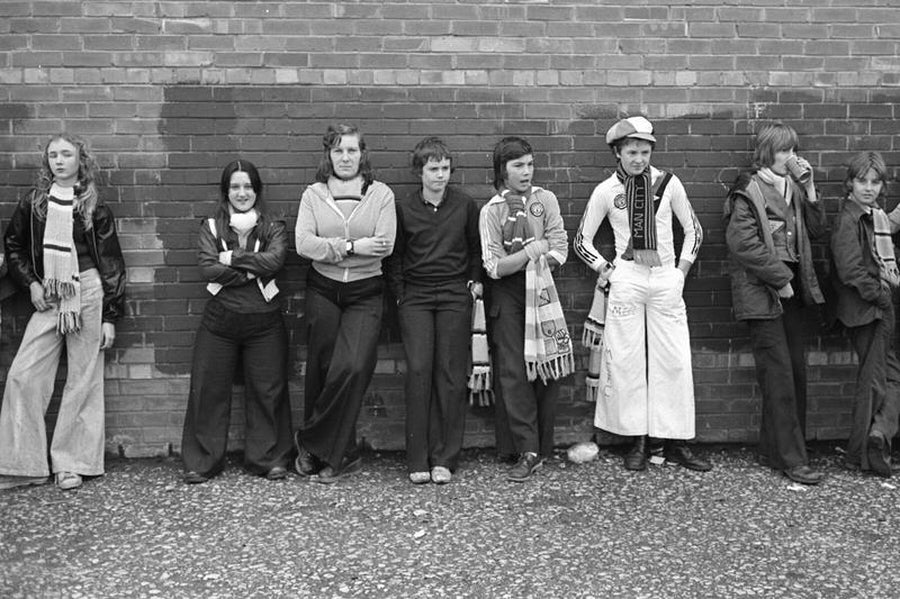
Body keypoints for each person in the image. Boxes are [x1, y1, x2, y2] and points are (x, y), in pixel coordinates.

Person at [574, 116, 710, 473]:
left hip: (665, 277)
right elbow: (581, 241)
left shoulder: (668, 183)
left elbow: (693, 230)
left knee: (674, 360)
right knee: (626, 361)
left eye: (645, 151)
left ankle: (673, 440)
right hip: (628, 279)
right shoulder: (607, 190)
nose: (639, 159)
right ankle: (635, 440)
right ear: (618, 153)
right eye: (632, 151)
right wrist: (608, 271)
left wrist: (680, 271)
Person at [0, 134, 125, 491]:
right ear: (47, 162)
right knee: (24, 375)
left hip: (87, 291)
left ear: (80, 161)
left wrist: (110, 316)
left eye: (66, 154)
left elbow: (113, 263)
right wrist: (32, 285)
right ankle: (22, 465)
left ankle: (72, 464)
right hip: (50, 294)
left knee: (82, 381)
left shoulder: (94, 205)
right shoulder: (35, 203)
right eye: (53, 155)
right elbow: (14, 246)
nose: (59, 160)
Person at [724, 121, 826, 485]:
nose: (791, 157)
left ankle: (774, 447)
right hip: (763, 292)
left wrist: (811, 189)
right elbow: (742, 243)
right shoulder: (748, 189)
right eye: (784, 150)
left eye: (794, 150)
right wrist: (780, 280)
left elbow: (816, 231)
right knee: (778, 374)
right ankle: (793, 460)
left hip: (795, 291)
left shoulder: (795, 188)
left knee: (794, 371)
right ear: (768, 153)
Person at [180, 160, 293, 484]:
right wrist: (251, 270)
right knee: (207, 389)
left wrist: (232, 259)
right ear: (226, 191)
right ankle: (202, 462)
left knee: (268, 390)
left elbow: (275, 261)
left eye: (248, 186)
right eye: (235, 187)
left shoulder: (273, 225)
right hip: (220, 321)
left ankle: (268, 459)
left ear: (257, 190)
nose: (242, 193)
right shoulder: (212, 227)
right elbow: (208, 268)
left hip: (264, 321)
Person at [295, 123, 395, 484]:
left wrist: (331, 247)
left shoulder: (381, 194)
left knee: (351, 367)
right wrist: (352, 247)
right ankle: (338, 455)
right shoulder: (313, 194)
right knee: (322, 370)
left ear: (362, 154)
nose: (346, 157)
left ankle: (310, 441)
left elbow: (385, 246)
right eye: (338, 151)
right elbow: (304, 245)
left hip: (366, 292)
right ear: (329, 155)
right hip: (323, 288)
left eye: (352, 150)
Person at [385, 137, 483, 485]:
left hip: (455, 295)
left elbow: (475, 249)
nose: (440, 175)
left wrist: (472, 283)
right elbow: (394, 257)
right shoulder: (404, 207)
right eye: (433, 169)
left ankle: (445, 457)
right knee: (419, 370)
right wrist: (400, 294)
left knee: (451, 373)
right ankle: (417, 457)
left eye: (445, 168)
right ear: (419, 172)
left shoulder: (464, 205)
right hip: (416, 296)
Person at [479, 136, 573, 482]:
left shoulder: (544, 200)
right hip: (506, 297)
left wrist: (529, 258)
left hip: (543, 291)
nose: (526, 172)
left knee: (547, 364)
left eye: (530, 164)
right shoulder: (492, 211)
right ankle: (526, 449)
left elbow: (560, 248)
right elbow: (494, 266)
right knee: (513, 372)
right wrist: (533, 252)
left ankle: (540, 446)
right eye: (518, 165)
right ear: (502, 170)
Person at [830, 151, 900, 478]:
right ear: (850, 183)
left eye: (875, 182)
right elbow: (850, 271)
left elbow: (885, 234)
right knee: (874, 382)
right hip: (867, 310)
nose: (869, 188)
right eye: (862, 181)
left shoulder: (873, 216)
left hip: (875, 308)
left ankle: (878, 436)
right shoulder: (849, 219)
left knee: (888, 377)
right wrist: (882, 295)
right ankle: (862, 450)